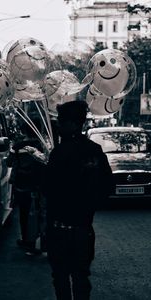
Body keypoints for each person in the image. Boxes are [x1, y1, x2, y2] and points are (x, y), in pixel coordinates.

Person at [42, 100, 114, 300]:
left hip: (59, 228)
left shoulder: (59, 153)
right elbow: (107, 186)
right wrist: (89, 204)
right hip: (84, 227)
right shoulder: (94, 150)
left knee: (61, 277)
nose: (58, 126)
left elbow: (47, 187)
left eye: (61, 122)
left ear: (73, 124)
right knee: (81, 277)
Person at [7, 133, 46, 255]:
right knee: (40, 215)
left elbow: (9, 162)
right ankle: (41, 243)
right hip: (37, 186)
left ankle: (27, 240)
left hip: (21, 185)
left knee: (24, 214)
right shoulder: (41, 145)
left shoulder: (17, 147)